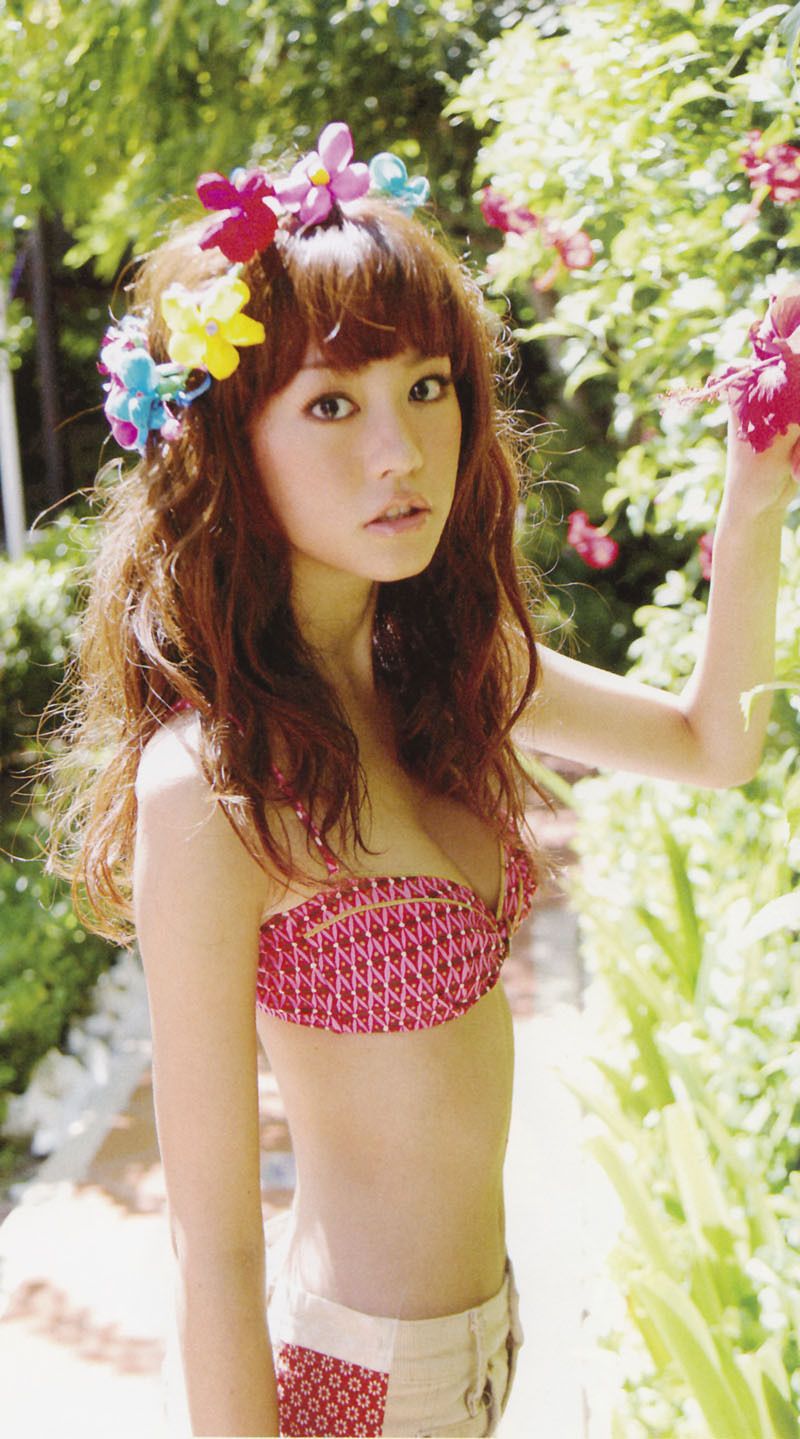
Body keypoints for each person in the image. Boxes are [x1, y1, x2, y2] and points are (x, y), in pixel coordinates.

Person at [48, 121, 799, 1438]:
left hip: (486, 1347)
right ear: (231, 440)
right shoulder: (214, 785)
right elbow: (210, 1247)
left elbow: (710, 747)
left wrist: (757, 488)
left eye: (429, 386)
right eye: (333, 404)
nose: (400, 451)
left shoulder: (447, 669)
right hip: (356, 1392)